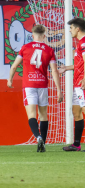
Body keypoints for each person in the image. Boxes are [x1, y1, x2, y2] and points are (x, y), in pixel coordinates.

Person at [7, 25, 63, 153]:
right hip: (42, 85)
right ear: (44, 36)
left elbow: (15, 66)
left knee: (31, 115)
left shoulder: (25, 48)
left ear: (32, 35)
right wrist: (59, 90)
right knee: (43, 115)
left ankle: (38, 137)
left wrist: (10, 79)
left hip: (29, 85)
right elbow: (54, 71)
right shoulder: (49, 50)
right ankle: (43, 143)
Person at [59, 18, 85, 152]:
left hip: (84, 83)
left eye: (71, 28)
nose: (70, 30)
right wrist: (66, 68)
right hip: (79, 83)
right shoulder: (83, 42)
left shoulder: (84, 42)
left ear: (77, 29)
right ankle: (76, 144)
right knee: (76, 112)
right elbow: (80, 64)